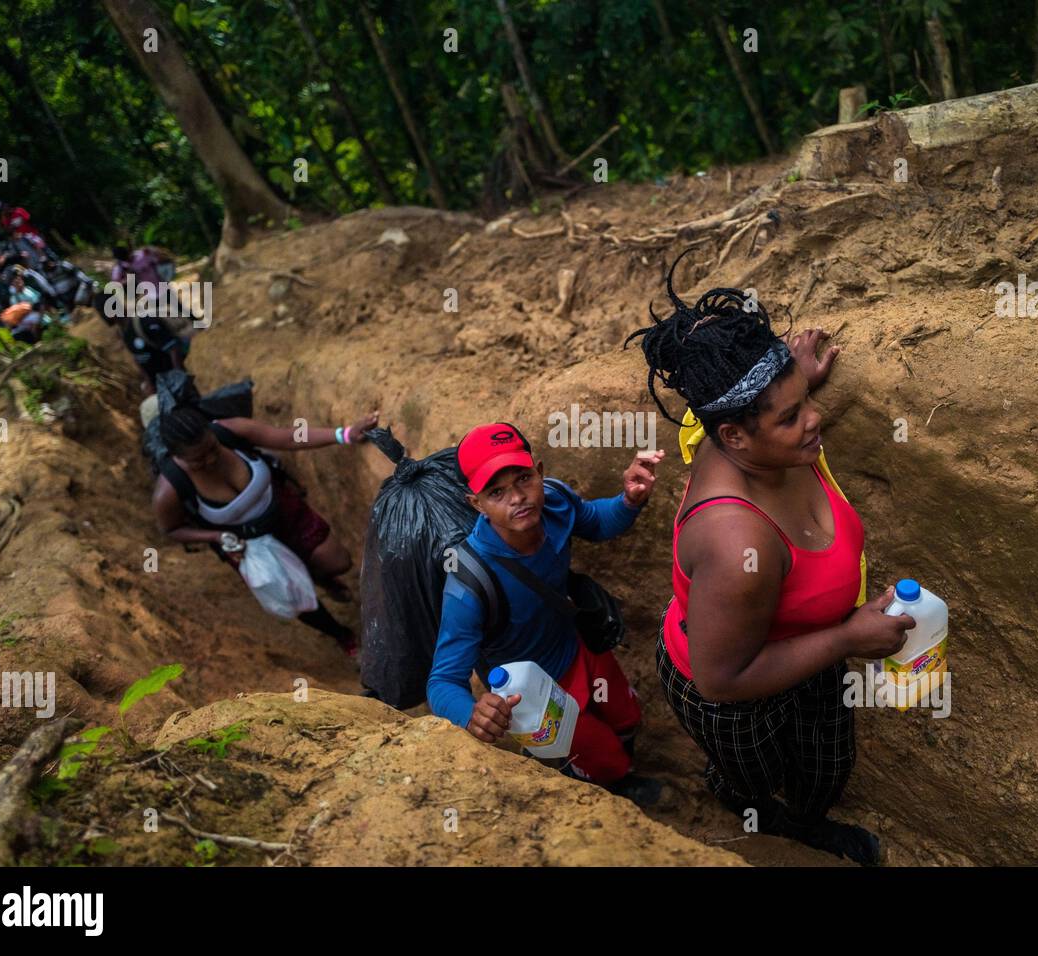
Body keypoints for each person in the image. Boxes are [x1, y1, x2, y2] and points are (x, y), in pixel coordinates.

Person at [625, 262, 915, 864]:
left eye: (805, 401)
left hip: (805, 647)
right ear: (733, 438)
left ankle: (807, 818)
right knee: (754, 773)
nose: (814, 420)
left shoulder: (736, 433)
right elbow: (722, 679)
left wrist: (789, 380)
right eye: (789, 416)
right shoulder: (737, 546)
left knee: (828, 760)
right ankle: (753, 812)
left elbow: (701, 417)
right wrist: (847, 638)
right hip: (733, 690)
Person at [427, 422, 665, 804]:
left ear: (539, 471)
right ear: (477, 503)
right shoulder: (469, 584)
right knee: (602, 757)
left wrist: (627, 501)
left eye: (523, 479)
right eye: (497, 492)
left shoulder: (553, 501)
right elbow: (442, 681)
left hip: (579, 646)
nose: (518, 498)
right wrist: (471, 713)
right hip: (534, 694)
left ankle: (618, 766)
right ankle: (610, 785)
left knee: (626, 716)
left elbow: (594, 520)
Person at [151, 405, 379, 654]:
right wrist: (215, 536)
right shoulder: (169, 490)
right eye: (198, 460)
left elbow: (290, 437)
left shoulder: (231, 431)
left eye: (212, 449)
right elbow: (171, 529)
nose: (210, 460)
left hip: (284, 512)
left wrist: (344, 434)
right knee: (291, 596)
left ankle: (317, 576)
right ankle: (342, 636)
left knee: (337, 562)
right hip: (246, 544)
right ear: (177, 457)